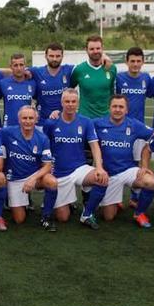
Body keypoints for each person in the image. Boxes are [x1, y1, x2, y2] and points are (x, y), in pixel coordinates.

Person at [42, 89, 108, 229]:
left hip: (79, 168)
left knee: (102, 178)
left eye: (73, 101)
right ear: (61, 103)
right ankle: (65, 203)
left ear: (78, 103)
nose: (70, 104)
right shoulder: (51, 123)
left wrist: (99, 167)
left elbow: (95, 146)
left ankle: (87, 214)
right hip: (59, 172)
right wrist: (46, 168)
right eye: (67, 101)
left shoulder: (86, 122)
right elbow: (43, 146)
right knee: (63, 217)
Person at [92, 95, 154, 227]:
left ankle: (139, 213)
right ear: (109, 108)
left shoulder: (133, 124)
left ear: (127, 110)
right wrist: (56, 114)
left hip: (128, 170)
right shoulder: (98, 123)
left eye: (121, 107)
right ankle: (114, 201)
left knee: (150, 182)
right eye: (114, 106)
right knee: (108, 217)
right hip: (108, 174)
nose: (117, 109)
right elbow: (77, 123)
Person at [0, 106, 59, 230]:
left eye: (31, 118)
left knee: (51, 181)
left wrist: (33, 179)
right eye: (24, 118)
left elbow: (47, 165)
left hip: (35, 178)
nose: (28, 121)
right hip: (15, 178)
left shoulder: (42, 138)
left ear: (36, 119)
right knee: (19, 220)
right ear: (19, 119)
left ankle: (46, 217)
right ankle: (18, 201)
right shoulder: (7, 133)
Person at [115, 47, 152, 161]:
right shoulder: (119, 78)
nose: (135, 64)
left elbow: (151, 93)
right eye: (132, 61)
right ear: (126, 62)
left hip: (138, 126)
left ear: (143, 62)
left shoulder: (146, 78)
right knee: (119, 159)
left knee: (136, 161)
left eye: (138, 61)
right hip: (120, 126)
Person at [70, 35, 118, 119]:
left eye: (98, 48)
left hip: (106, 119)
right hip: (85, 119)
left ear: (102, 48)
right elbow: (69, 88)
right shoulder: (79, 70)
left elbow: (112, 92)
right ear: (86, 50)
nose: (95, 51)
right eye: (92, 49)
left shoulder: (111, 68)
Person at [30, 43, 74, 124]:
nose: (54, 59)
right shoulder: (36, 72)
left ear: (62, 56)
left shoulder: (69, 70)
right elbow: (17, 71)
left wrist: (103, 57)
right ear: (46, 56)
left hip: (62, 122)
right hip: (41, 123)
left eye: (57, 56)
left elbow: (87, 67)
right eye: (51, 56)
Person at [0, 54, 37, 127]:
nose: (19, 68)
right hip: (9, 126)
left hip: (26, 126)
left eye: (21, 65)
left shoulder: (32, 83)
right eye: (15, 65)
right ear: (11, 67)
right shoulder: (3, 83)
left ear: (25, 66)